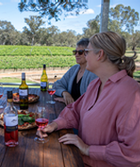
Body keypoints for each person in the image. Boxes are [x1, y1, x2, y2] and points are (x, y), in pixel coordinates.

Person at [37, 31, 140, 167]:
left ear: (100, 54)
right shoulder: (96, 84)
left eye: (86, 52)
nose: (83, 56)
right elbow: (75, 110)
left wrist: (88, 149)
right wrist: (54, 125)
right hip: (80, 160)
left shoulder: (130, 93)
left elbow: (133, 154)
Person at [52, 38, 97, 105]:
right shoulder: (74, 69)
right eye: (75, 52)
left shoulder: (94, 74)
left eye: (80, 52)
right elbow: (56, 84)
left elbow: (92, 102)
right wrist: (65, 93)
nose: (76, 55)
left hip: (82, 113)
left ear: (88, 53)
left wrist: (73, 104)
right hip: (70, 110)